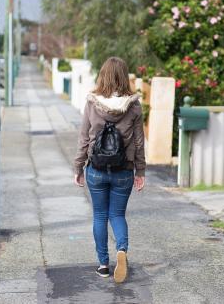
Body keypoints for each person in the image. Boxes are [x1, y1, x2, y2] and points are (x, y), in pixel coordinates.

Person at [74, 57, 146, 283]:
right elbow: (138, 142)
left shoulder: (92, 103)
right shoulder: (133, 106)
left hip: (96, 169)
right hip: (123, 170)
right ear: (124, 77)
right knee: (117, 215)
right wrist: (140, 171)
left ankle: (103, 264)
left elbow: (84, 139)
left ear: (102, 75)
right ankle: (121, 249)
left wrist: (78, 166)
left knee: (100, 215)